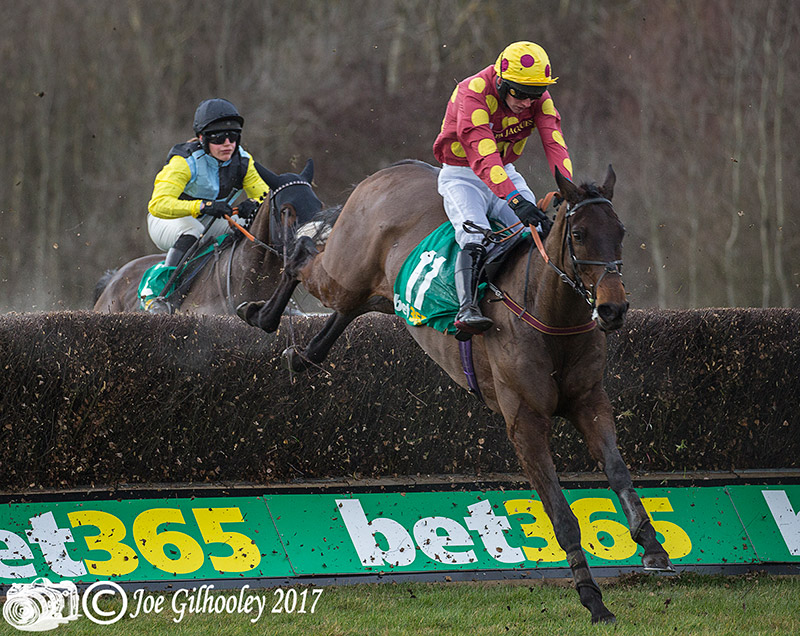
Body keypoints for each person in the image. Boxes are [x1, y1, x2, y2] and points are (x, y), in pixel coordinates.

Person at [432, 41, 574, 337]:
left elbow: (554, 141)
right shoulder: (472, 93)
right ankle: (467, 308)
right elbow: (484, 156)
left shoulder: (538, 98)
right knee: (475, 234)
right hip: (462, 174)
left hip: (504, 170)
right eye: (519, 93)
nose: (527, 102)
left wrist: (569, 189)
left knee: (536, 232)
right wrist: (515, 200)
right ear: (500, 82)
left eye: (534, 95)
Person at [145, 98, 270, 313]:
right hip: (167, 220)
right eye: (219, 137)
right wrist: (202, 206)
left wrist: (255, 205)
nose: (228, 143)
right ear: (202, 138)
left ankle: (267, 295)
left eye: (234, 136)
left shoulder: (243, 161)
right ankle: (163, 296)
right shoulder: (184, 162)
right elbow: (158, 204)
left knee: (255, 224)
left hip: (211, 220)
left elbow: (267, 197)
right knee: (193, 229)